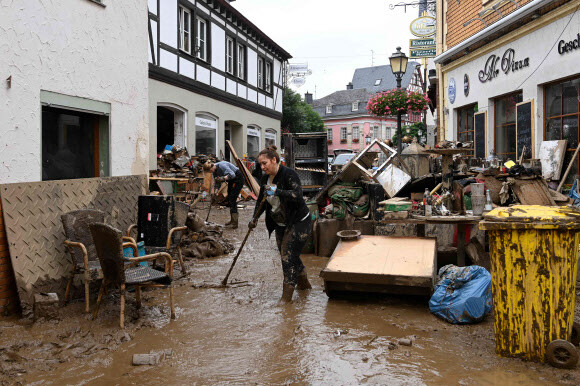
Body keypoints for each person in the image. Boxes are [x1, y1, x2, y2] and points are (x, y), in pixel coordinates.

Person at [249, 145, 312, 303]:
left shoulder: (288, 174)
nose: (262, 167)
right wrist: (254, 218)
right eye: (260, 165)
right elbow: (262, 201)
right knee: (288, 254)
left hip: (299, 221)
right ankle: (304, 285)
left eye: (265, 163)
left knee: (287, 257)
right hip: (280, 223)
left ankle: (286, 299)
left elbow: (297, 196)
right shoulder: (265, 178)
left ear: (274, 160)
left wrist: (277, 191)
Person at [210, 160, 244, 229]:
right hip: (231, 181)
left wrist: (223, 178)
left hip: (238, 179)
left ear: (213, 165)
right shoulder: (214, 171)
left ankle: (235, 223)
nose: (211, 172)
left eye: (210, 170)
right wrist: (216, 192)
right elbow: (217, 182)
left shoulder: (222, 165)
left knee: (232, 199)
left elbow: (232, 175)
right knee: (229, 199)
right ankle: (232, 221)